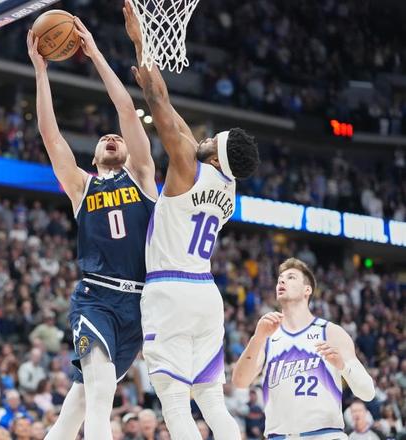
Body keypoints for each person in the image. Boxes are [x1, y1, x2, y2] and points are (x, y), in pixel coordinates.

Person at [124, 2, 259, 438]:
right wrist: (151, 76)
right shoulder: (228, 190)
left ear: (216, 155)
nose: (205, 137)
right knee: (213, 402)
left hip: (170, 290)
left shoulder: (187, 165)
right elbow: (178, 124)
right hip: (205, 294)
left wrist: (142, 42)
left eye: (213, 139)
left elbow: (159, 103)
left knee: (175, 404)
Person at [28, 14, 157, 440]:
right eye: (104, 140)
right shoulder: (81, 187)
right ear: (95, 155)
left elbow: (126, 109)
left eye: (116, 137)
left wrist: (95, 53)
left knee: (78, 405)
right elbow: (51, 137)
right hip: (95, 298)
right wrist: (41, 72)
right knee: (102, 392)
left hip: (138, 305)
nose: (111, 138)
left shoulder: (141, 175)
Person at [232, 258, 376, 439]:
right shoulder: (267, 336)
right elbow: (240, 381)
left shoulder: (330, 332)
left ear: (307, 290)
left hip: (325, 435)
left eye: (291, 277)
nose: (282, 281)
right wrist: (257, 338)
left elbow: (368, 392)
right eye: (280, 279)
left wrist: (343, 366)